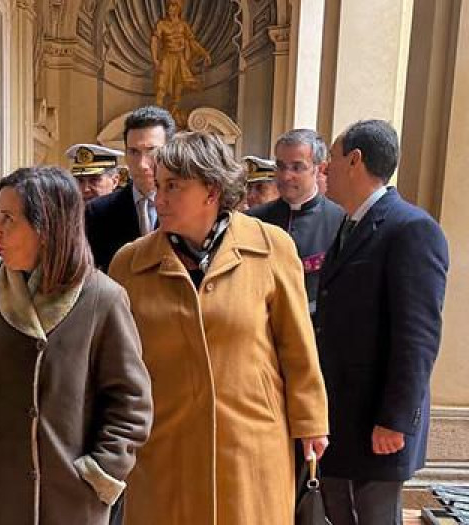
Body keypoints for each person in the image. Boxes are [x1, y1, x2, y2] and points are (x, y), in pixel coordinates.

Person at [0, 166, 152, 525]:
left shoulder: (102, 299)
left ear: (46, 228)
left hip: (72, 503)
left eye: (8, 218)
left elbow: (130, 404)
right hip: (0, 499)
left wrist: (99, 474)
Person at [109, 131, 330, 525]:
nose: (159, 198)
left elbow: (298, 346)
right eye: (159, 186)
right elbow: (118, 363)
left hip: (249, 443)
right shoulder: (130, 264)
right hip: (164, 445)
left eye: (173, 186)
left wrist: (312, 423)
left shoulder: (271, 247)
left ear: (211, 190)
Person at [315, 120, 449, 525]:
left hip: (377, 420)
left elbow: (418, 336)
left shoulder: (412, 229)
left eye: (332, 160)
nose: (325, 170)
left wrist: (394, 419)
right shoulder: (350, 222)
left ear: (355, 160)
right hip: (341, 413)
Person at [248, 129, 345, 317]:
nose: (285, 176)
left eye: (297, 167)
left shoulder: (341, 220)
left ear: (319, 168)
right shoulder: (253, 221)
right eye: (281, 166)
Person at [86, 106, 176, 269]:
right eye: (134, 152)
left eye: (151, 151)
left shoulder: (185, 207)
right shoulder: (98, 212)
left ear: (170, 151)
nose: (142, 164)